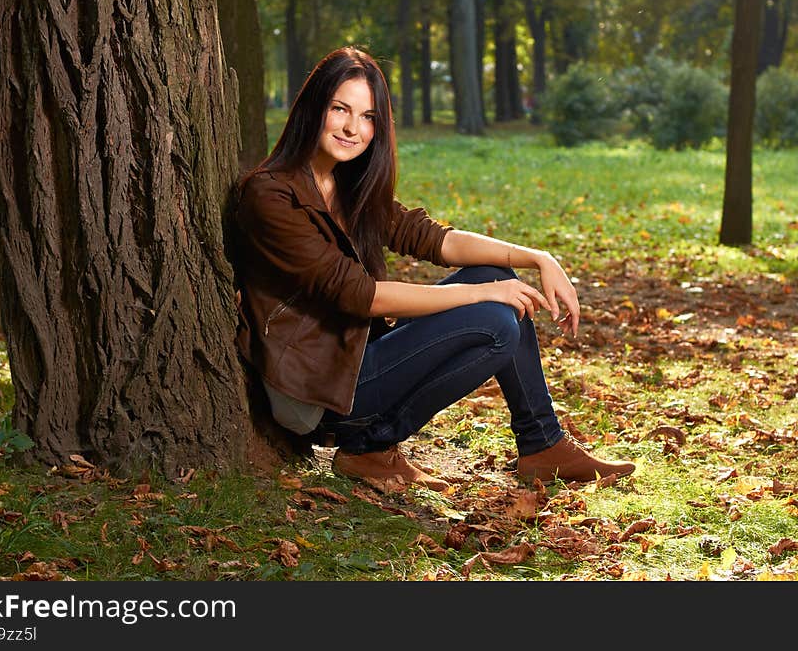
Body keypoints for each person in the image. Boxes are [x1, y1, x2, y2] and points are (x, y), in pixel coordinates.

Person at [233, 46, 635, 492]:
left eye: (367, 117)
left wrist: (538, 257)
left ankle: (542, 444)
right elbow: (361, 296)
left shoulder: (347, 184)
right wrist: (483, 295)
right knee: (497, 321)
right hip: (319, 391)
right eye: (340, 109)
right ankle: (370, 445)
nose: (352, 128)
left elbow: (433, 239)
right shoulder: (271, 196)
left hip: (355, 355)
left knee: (492, 278)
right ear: (313, 108)